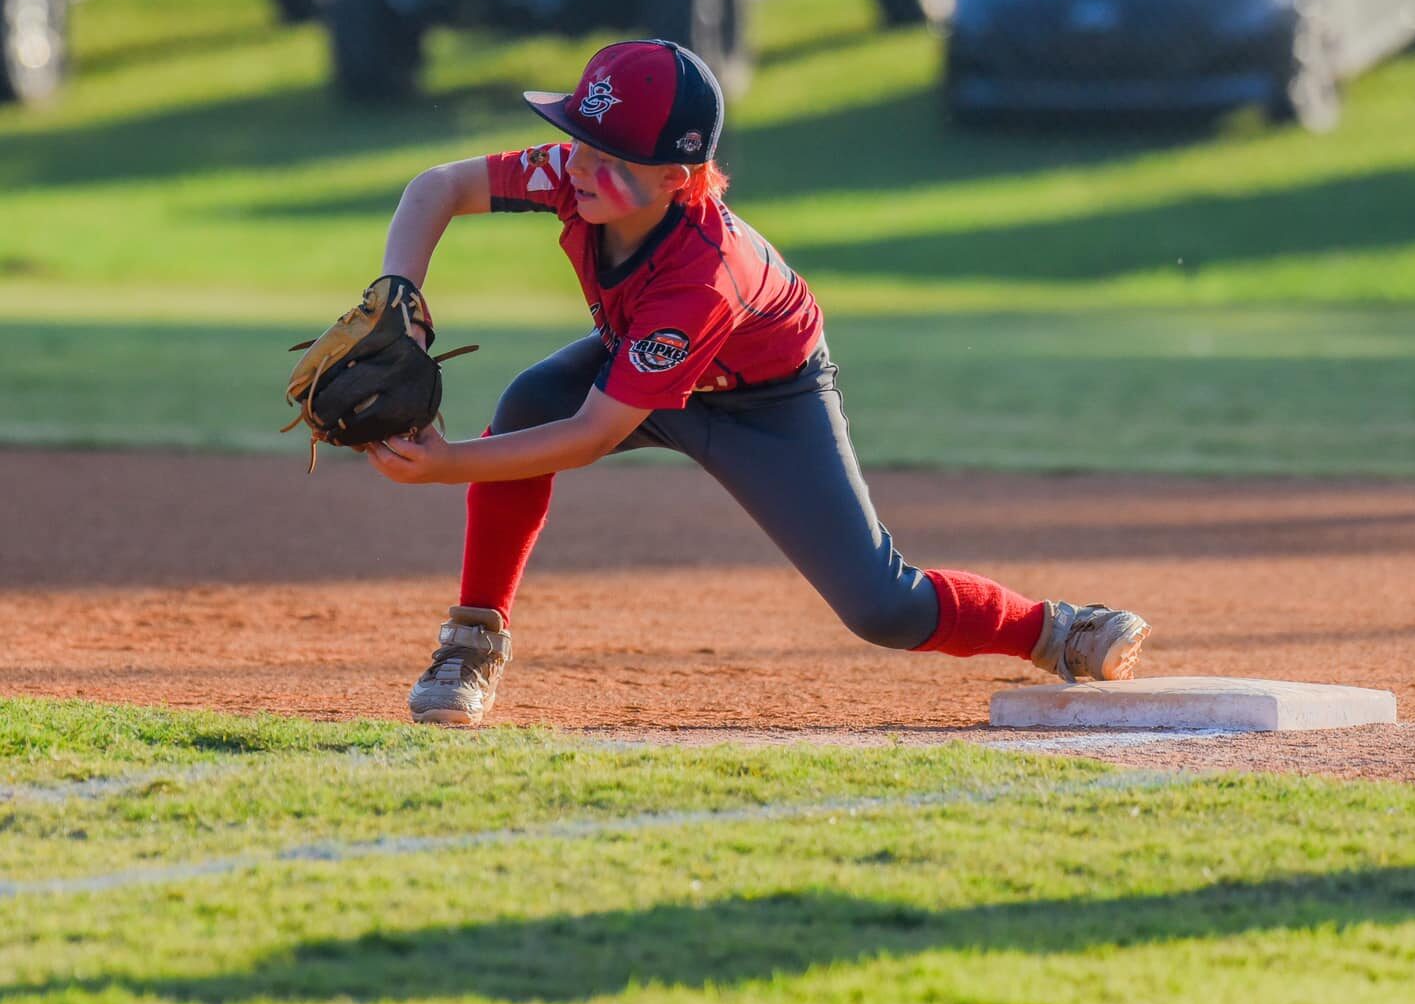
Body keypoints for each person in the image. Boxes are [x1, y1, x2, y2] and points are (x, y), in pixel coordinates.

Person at [363, 39, 1151, 725]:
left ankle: (1052, 630)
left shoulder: (702, 276)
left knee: (883, 606)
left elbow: (592, 434)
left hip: (768, 400)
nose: (579, 165)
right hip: (640, 356)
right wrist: (401, 290)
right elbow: (438, 186)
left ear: (676, 177)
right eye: (577, 139)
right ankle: (471, 645)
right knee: (531, 399)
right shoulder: (581, 175)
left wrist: (446, 463)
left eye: (609, 157)